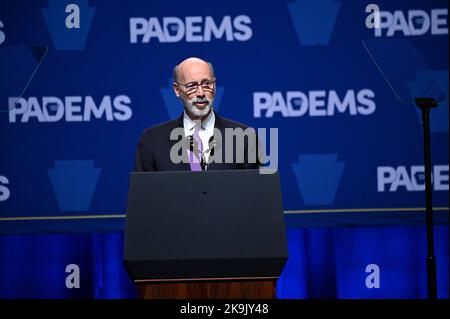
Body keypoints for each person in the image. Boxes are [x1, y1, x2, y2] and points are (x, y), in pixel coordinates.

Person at [135, 57, 262, 172]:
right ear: (177, 89)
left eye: (207, 84)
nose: (201, 93)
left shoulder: (245, 138)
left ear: (215, 85)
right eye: (192, 86)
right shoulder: (152, 140)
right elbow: (143, 195)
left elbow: (255, 194)